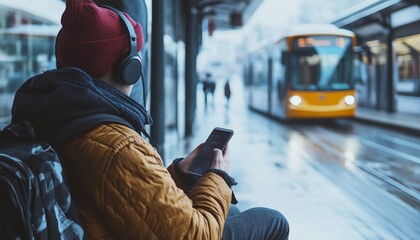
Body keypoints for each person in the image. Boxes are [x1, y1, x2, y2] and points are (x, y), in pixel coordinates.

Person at [10, 0, 289, 239]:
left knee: (232, 211)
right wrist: (218, 177)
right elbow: (195, 235)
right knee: (272, 219)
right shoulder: (116, 143)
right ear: (127, 69)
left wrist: (177, 174)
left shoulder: (57, 116)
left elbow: (126, 197)